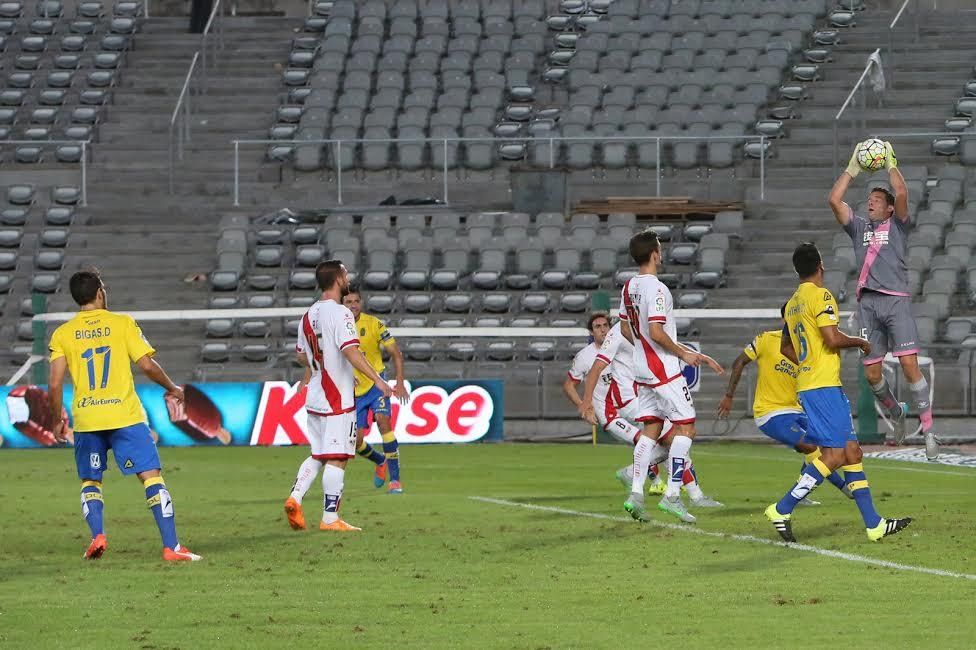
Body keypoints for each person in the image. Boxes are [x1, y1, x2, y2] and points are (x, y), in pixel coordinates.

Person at [47, 269, 200, 561]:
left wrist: (57, 419)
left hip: (87, 418)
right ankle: (172, 547)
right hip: (125, 415)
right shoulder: (122, 323)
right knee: (151, 477)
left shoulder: (62, 333)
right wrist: (172, 387)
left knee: (90, 481)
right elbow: (147, 365)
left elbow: (54, 383)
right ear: (100, 293)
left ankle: (98, 535)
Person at [764, 243, 912, 543]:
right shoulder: (821, 296)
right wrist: (859, 342)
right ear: (821, 264)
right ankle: (783, 507)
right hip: (823, 387)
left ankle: (874, 524)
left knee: (852, 452)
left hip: (811, 384)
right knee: (833, 456)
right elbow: (831, 338)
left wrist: (807, 365)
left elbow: (784, 348)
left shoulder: (792, 303)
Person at [829, 140, 937, 459]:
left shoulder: (898, 225)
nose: (870, 203)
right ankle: (897, 413)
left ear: (889, 208)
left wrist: (891, 163)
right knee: (873, 375)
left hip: (896, 302)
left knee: (908, 365)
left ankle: (930, 431)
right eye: (869, 200)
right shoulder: (859, 227)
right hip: (868, 306)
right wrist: (852, 168)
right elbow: (834, 199)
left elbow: (901, 193)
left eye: (877, 200)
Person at [618, 229, 725, 524]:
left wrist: (642, 350)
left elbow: (626, 328)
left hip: (642, 370)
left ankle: (636, 495)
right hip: (663, 370)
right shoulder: (658, 289)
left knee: (651, 429)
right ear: (654, 254)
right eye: (660, 249)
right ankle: (673, 496)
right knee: (686, 429)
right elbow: (656, 330)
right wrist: (683, 353)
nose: (662, 253)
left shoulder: (628, 288)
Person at [284, 261, 393, 532]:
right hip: (337, 399)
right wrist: (377, 379)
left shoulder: (308, 315)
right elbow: (350, 350)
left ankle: (295, 497)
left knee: (319, 453)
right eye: (344, 274)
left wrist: (329, 368)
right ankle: (330, 518)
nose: (347, 278)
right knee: (338, 456)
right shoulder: (341, 313)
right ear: (337, 279)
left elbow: (301, 354)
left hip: (316, 395)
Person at [718, 304, 853, 504]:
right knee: (808, 446)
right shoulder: (766, 340)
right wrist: (729, 396)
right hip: (771, 412)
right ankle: (845, 489)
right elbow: (739, 362)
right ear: (785, 320)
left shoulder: (809, 347)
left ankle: (801, 492)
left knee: (830, 447)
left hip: (798, 410)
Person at [579, 319, 721, 506]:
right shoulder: (617, 333)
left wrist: (697, 354)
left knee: (675, 441)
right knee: (675, 439)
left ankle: (631, 473)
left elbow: (666, 341)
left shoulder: (642, 326)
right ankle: (695, 496)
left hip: (649, 393)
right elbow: (596, 368)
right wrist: (587, 404)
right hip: (631, 399)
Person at [342, 289, 411, 494]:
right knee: (355, 442)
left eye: (356, 301)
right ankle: (379, 460)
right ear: (342, 304)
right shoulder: (337, 328)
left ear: (361, 303)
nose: (353, 305)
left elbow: (396, 353)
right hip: (352, 390)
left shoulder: (374, 324)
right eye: (348, 302)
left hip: (376, 385)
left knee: (383, 423)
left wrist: (399, 382)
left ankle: (395, 481)